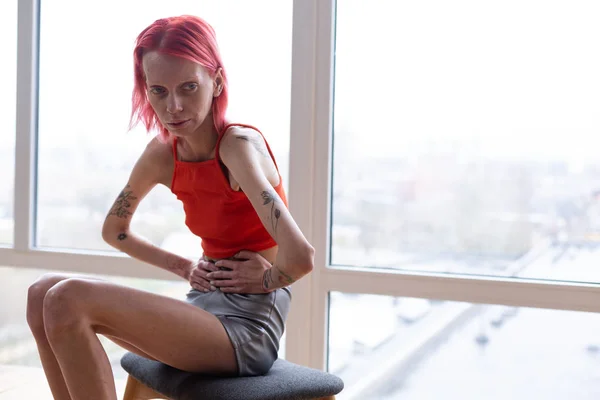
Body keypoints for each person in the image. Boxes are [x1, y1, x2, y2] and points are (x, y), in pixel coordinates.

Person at [26, 15, 314, 400]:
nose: (173, 106)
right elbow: (116, 231)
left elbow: (301, 258)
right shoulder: (163, 154)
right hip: (201, 309)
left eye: (189, 87)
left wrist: (264, 281)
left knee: (67, 296)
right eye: (158, 91)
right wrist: (184, 266)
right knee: (41, 292)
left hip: (246, 329)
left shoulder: (237, 147)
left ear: (218, 82)